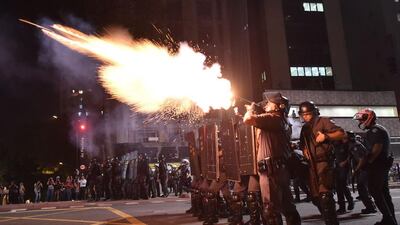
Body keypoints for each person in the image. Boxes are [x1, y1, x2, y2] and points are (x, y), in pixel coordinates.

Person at [243, 92, 300, 225]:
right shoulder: (280, 120)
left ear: (278, 107)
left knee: (271, 209)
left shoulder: (272, 118)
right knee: (287, 206)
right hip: (279, 169)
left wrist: (251, 110)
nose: (266, 104)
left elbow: (247, 120)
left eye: (269, 103)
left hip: (270, 171)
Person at [298, 101, 345, 225]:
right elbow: (302, 144)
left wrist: (326, 137)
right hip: (312, 166)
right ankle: (328, 220)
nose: (305, 116)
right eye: (303, 114)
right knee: (316, 198)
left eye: (308, 114)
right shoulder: (305, 128)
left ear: (313, 112)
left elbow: (341, 133)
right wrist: (304, 151)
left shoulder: (323, 121)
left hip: (324, 163)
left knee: (325, 196)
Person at [353, 108, 398, 225]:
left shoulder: (374, 131)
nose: (360, 123)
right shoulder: (378, 129)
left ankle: (389, 219)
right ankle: (390, 219)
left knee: (375, 191)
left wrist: (369, 162)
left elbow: (377, 148)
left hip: (378, 166)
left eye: (361, 120)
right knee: (384, 193)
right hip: (382, 165)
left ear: (368, 118)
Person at [345, 131, 376, 214]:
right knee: (362, 188)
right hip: (363, 169)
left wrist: (355, 170)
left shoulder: (356, 146)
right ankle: (370, 206)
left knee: (362, 187)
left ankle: (371, 207)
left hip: (365, 168)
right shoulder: (352, 145)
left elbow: (362, 159)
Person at [333, 138, 354, 214]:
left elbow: (350, 155)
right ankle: (342, 207)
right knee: (338, 187)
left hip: (344, 167)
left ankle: (350, 201)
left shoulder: (345, 145)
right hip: (337, 167)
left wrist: (345, 162)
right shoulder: (334, 146)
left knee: (343, 186)